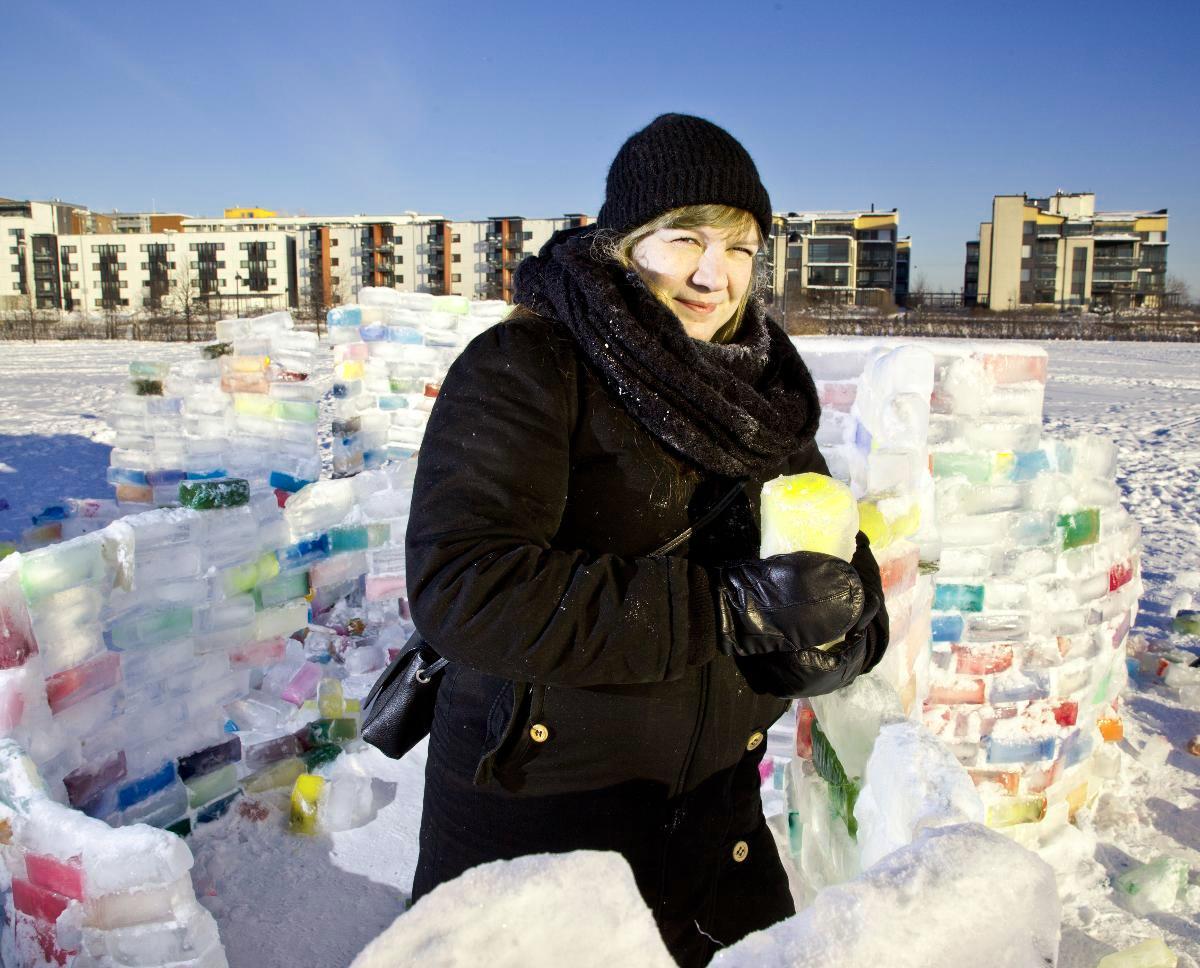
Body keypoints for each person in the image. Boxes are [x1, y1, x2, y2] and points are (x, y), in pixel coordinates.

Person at [404, 113, 888, 966]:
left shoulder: (766, 396)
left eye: (740, 248)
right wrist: (730, 610)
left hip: (714, 832)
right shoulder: (530, 365)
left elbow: (838, 563)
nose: (715, 274)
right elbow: (465, 584)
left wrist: (840, 637)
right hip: (545, 829)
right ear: (626, 243)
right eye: (685, 239)